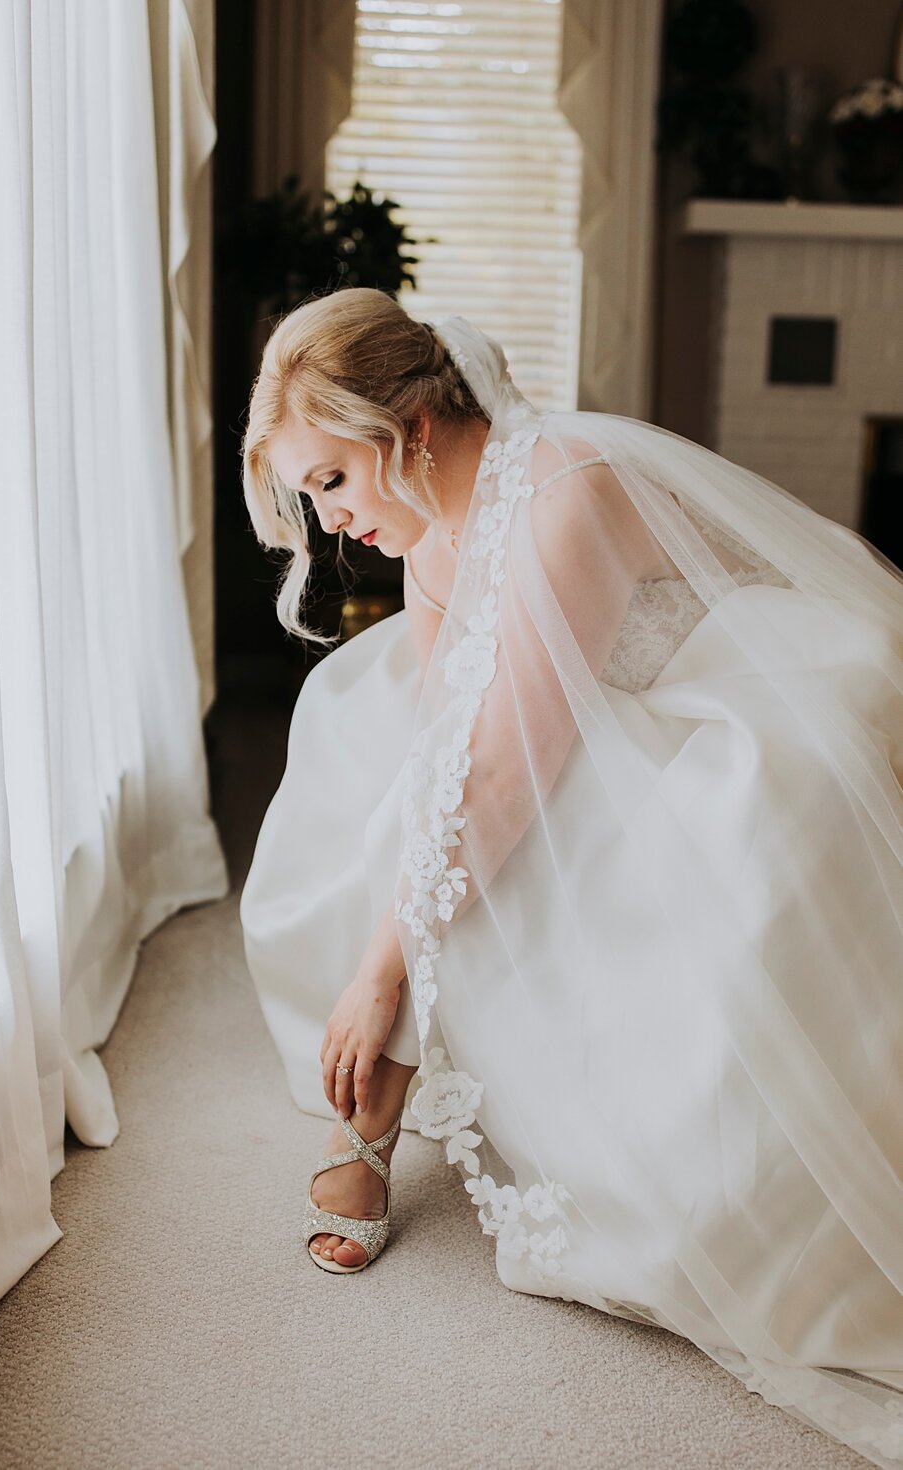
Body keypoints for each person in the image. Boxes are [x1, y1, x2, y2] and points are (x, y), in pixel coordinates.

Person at [239, 287, 903, 1466]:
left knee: (539, 836)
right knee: (388, 768)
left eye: (333, 479)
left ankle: (376, 1097)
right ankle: (381, 1104)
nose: (333, 524)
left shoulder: (564, 491)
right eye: (311, 497)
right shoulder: (432, 517)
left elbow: (502, 778)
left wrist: (383, 973)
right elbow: (449, 732)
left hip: (728, 715)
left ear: (407, 426)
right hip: (579, 723)